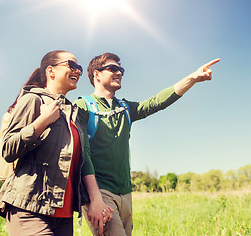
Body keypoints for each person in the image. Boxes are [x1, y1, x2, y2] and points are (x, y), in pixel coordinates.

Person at [74, 52, 220, 235]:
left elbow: (156, 102)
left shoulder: (126, 108)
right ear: (96, 75)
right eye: (113, 69)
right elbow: (81, 153)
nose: (119, 73)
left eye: (121, 70)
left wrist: (192, 78)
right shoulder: (82, 107)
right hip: (100, 193)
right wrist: (94, 199)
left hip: (126, 193)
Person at [0, 50, 113, 236]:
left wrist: (94, 199)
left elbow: (81, 163)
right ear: (51, 71)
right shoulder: (32, 99)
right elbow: (8, 149)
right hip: (29, 207)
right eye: (71, 66)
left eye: (79, 68)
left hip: (63, 215)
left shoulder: (72, 113)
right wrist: (41, 122)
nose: (78, 71)